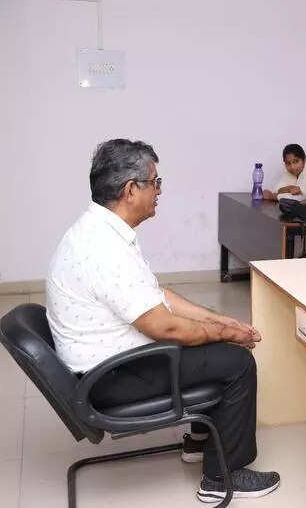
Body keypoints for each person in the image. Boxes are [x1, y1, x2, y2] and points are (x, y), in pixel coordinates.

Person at [45, 139, 279, 503]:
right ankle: (222, 476)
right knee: (237, 362)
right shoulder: (103, 249)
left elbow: (159, 296)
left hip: (107, 364)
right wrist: (226, 335)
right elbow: (164, 326)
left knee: (211, 342)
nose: (159, 191)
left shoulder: (101, 230)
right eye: (155, 182)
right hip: (109, 378)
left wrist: (219, 322)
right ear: (130, 190)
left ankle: (200, 441)